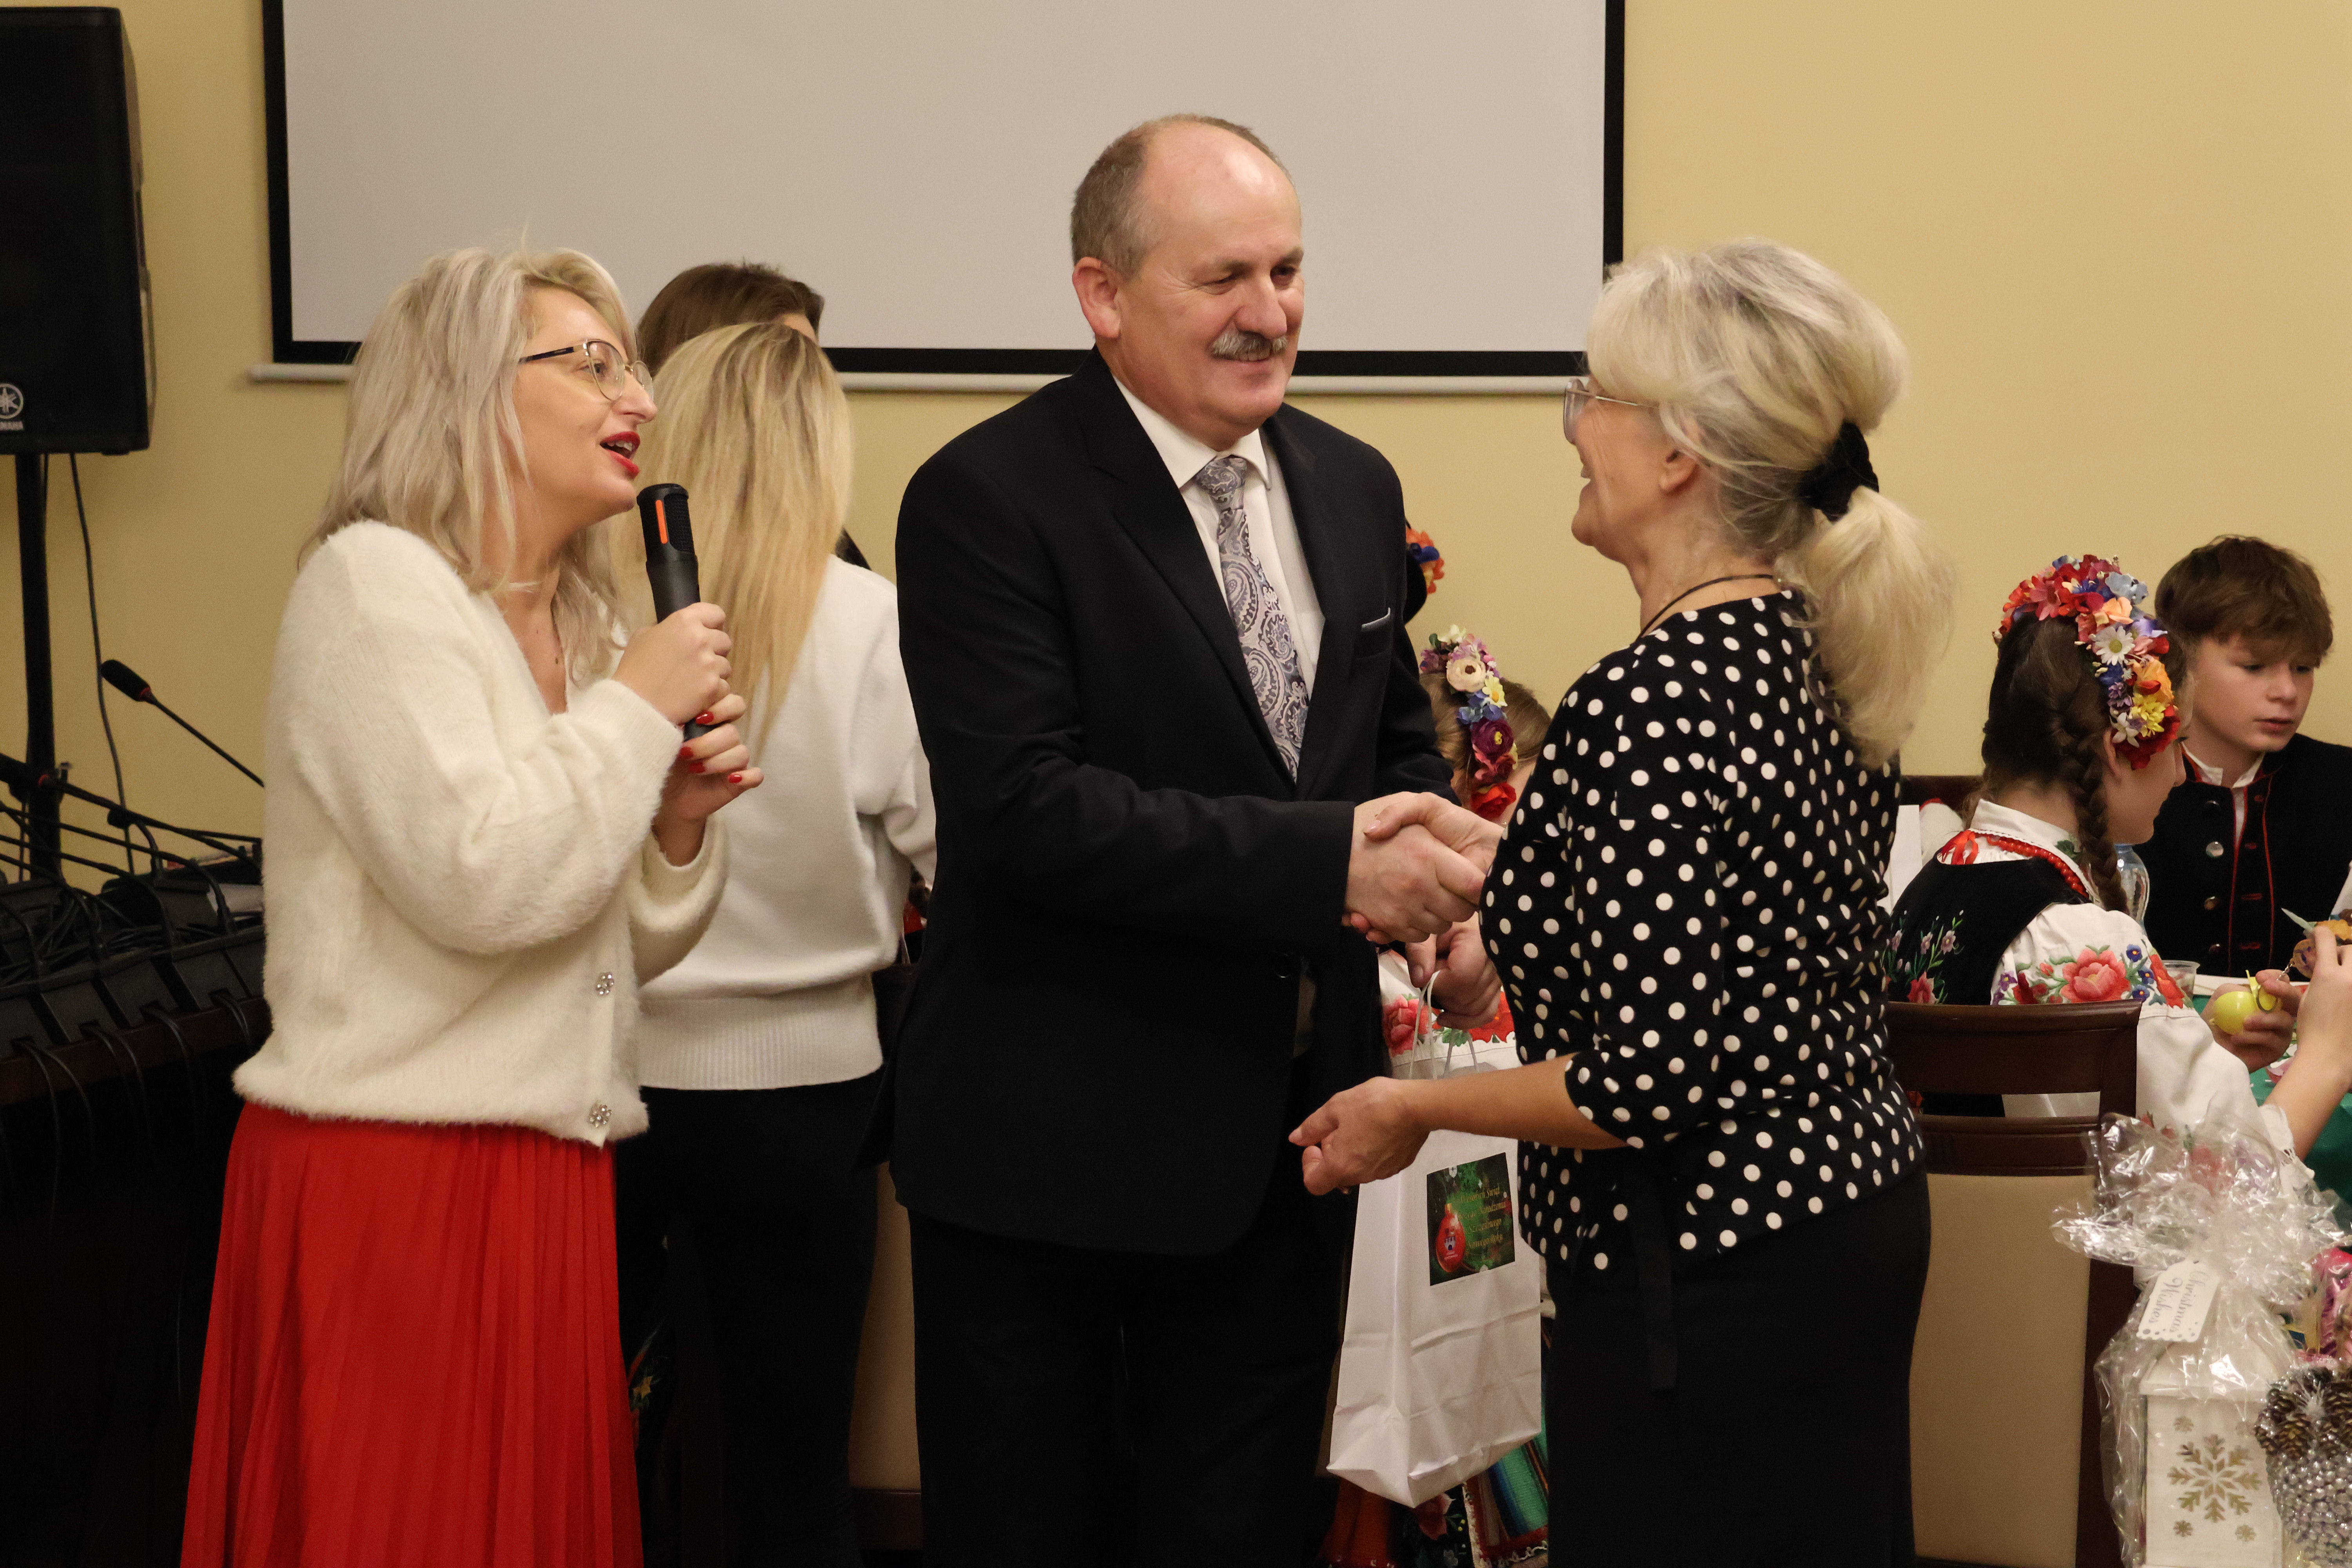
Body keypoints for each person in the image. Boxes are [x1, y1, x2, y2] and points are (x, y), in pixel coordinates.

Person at [887, 114, 1501, 1568]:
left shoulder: (1350, 483)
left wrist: (1442, 884)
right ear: (1101, 294)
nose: (1269, 312)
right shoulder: (987, 497)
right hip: (1053, 1164)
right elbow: (1025, 809)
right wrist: (1331, 865)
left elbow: (1382, 744)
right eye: (1223, 276)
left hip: (1287, 1157)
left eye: (1287, 270)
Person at [1293, 240, 1957, 1565]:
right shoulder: (1810, 647)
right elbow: (1742, 916)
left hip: (1707, 1273)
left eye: (1592, 395)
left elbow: (1642, 1085)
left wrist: (1410, 1111)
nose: (1571, 426)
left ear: (1678, 455)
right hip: (1839, 1216)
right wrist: (1513, 870)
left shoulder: (1648, 695)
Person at [180, 247, 760, 1568]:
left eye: (635, 367)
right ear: (468, 392)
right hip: (396, 1180)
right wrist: (638, 711)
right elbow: (484, 881)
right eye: (595, 364)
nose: (641, 401)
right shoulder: (376, 585)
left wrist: (673, 825)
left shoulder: (589, 620)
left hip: (546, 1177)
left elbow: (596, 944)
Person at [609, 321, 933, 1568]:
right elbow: (957, 852)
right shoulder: (872, 622)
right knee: (793, 1464)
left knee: (600, 1439)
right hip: (811, 1098)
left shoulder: (594, 618)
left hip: (611, 1078)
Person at [1882, 554, 2352, 1151]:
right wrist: (2328, 1054)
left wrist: (2194, 1049)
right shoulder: (2077, 939)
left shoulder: (1942, 874)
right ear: (2115, 750)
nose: (2180, 774)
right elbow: (2236, 1177)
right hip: (2055, 1216)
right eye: (2177, 745)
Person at [2140, 536, 2352, 977]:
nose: (2288, 692)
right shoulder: (2124, 784)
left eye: (2304, 667)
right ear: (2180, 658)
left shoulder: (2341, 782)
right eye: (2254, 666)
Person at [635, 260, 870, 568]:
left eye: (813, 374)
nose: (812, 407)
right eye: (786, 373)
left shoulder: (837, 561)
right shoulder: (603, 563)